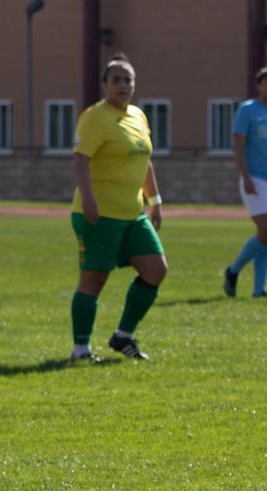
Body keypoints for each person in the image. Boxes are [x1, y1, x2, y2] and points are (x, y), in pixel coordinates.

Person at [68, 53, 166, 362]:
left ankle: (123, 335)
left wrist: (156, 201)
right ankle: (81, 349)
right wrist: (90, 199)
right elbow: (80, 160)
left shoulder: (138, 115)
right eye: (116, 80)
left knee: (156, 270)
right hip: (100, 213)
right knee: (94, 280)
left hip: (133, 213)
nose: (123, 85)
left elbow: (144, 160)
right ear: (105, 84)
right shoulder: (96, 116)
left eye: (128, 80)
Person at [224, 66, 267, 299]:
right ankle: (233, 271)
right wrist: (246, 177)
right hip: (257, 178)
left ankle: (259, 290)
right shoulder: (248, 111)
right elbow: (239, 146)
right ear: (259, 86)